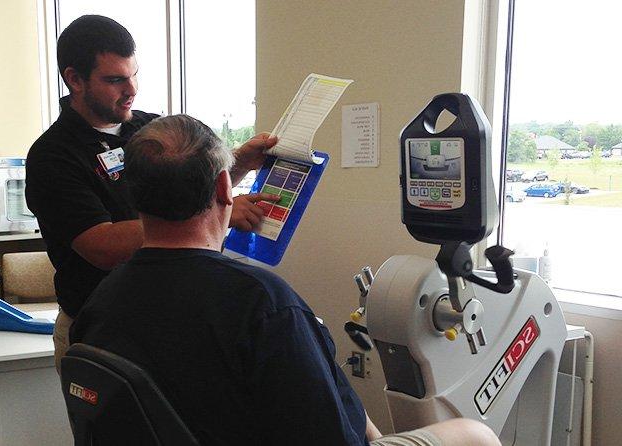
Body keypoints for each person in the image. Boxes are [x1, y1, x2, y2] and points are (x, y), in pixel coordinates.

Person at [69, 114, 501, 446]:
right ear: (225, 188)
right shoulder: (262, 303)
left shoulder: (101, 302)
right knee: (473, 434)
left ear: (135, 196)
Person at [25, 15, 278, 370]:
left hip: (170, 320)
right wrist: (212, 215)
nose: (131, 89)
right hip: (98, 329)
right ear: (74, 80)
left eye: (133, 74)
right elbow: (101, 245)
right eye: (114, 79)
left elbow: (194, 185)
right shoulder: (53, 156)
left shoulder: (151, 129)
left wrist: (239, 164)